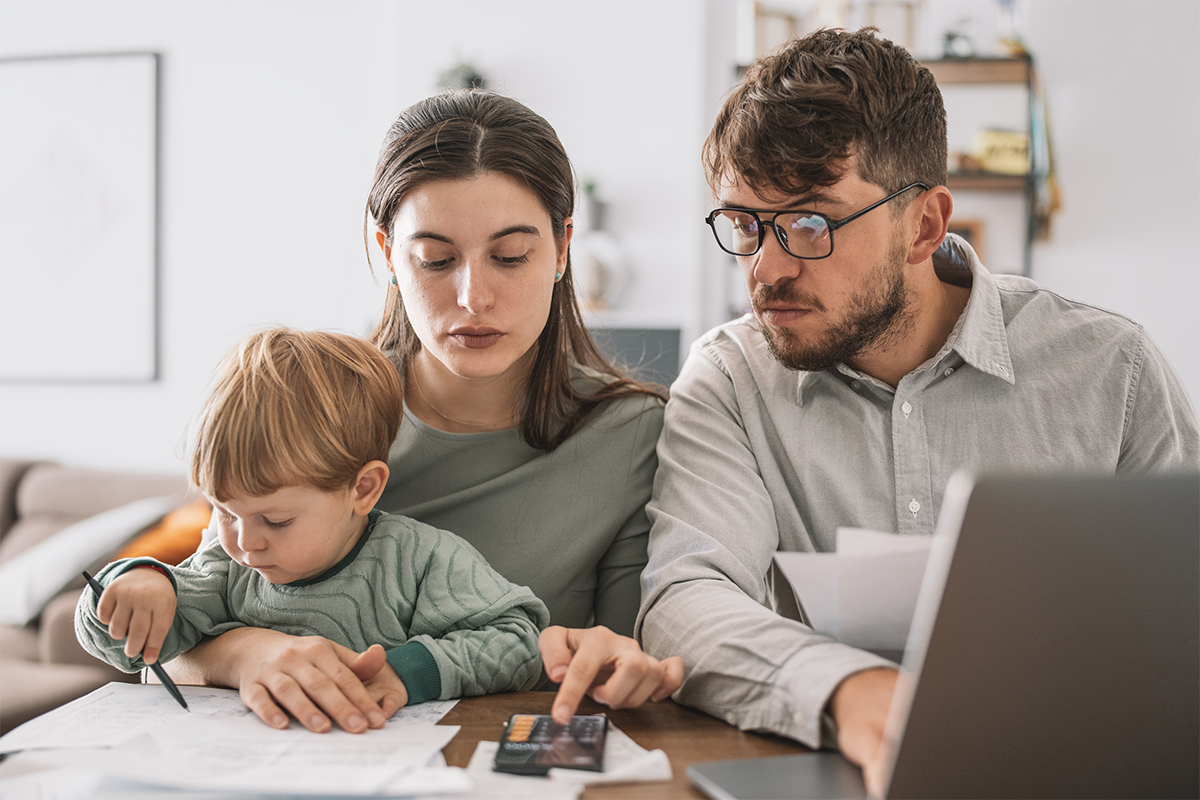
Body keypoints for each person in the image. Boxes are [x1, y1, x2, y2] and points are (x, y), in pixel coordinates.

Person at [637, 27, 1199, 796]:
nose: (765, 270)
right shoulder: (731, 379)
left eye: (809, 225)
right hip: (830, 769)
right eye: (744, 226)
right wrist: (846, 691)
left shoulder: (1113, 371)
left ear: (926, 225)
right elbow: (684, 599)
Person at [163, 91, 684, 733]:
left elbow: (627, 655)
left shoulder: (632, 435)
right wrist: (247, 652)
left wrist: (624, 664)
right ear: (387, 253)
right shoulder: (315, 409)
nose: (473, 296)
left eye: (511, 255)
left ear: (562, 248)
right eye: (435, 260)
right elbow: (171, 637)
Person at [77, 328, 550, 708]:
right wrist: (135, 584)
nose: (245, 543)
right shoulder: (224, 565)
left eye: (276, 520)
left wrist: (407, 671)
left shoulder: (417, 558)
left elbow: (520, 644)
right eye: (223, 511)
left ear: (362, 489)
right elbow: (128, 650)